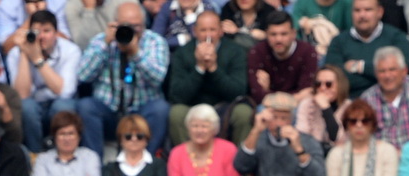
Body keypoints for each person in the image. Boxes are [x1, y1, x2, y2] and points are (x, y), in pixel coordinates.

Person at [75, 1, 169, 154]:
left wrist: (136, 52)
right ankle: (96, 167)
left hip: (141, 112)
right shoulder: (102, 40)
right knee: (86, 106)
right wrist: (106, 44)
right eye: (126, 25)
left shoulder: (155, 41)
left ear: (144, 25)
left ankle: (145, 164)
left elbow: (158, 78)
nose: (131, 31)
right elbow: (83, 76)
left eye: (136, 26)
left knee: (160, 109)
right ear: (115, 24)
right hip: (108, 110)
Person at [165, 8, 249, 143]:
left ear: (221, 31)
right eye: (203, 30)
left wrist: (214, 69)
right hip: (193, 106)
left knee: (244, 113)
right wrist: (199, 68)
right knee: (176, 113)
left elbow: (238, 92)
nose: (208, 35)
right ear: (194, 31)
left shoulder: (235, 51)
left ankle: (240, 161)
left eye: (212, 30)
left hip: (224, 106)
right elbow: (176, 95)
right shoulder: (183, 53)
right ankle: (186, 159)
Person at [235, 89, 325, 176]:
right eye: (274, 117)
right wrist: (256, 130)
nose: (279, 123)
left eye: (284, 118)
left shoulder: (308, 141)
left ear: (292, 119)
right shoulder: (258, 139)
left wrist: (299, 150)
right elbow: (241, 167)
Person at [10, 7, 78, 152]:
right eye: (36, 32)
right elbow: (22, 95)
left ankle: (60, 153)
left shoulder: (70, 50)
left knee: (63, 105)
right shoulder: (15, 53)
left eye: (46, 31)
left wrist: (37, 59)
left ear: (56, 33)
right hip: (34, 107)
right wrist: (24, 53)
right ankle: (35, 154)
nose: (41, 37)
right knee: (27, 107)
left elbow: (65, 92)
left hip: (57, 104)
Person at [167, 100, 240, 176]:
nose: (199, 130)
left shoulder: (228, 150)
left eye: (204, 126)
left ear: (214, 129)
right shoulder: (177, 153)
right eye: (195, 126)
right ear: (188, 128)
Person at [321, 0, 405, 99]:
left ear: (380, 12)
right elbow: (334, 78)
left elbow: (403, 71)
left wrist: (360, 66)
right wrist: (378, 75)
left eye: (368, 10)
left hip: (390, 100)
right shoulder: (338, 41)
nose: (362, 15)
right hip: (349, 103)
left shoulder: (396, 37)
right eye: (357, 10)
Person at [358, 45, 409, 150]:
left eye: (392, 70)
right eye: (382, 71)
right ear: (376, 74)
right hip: (381, 160)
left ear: (404, 71)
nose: (387, 76)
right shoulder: (367, 99)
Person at [245, 7, 316, 103]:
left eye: (284, 34)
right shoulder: (257, 52)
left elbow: (306, 93)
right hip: (267, 107)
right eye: (273, 34)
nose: (278, 39)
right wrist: (296, 97)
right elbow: (257, 94)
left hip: (297, 108)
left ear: (293, 34)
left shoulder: (308, 52)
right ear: (266, 34)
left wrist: (268, 92)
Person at [293, 63, 348, 145]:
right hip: (312, 152)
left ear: (340, 85)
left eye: (328, 84)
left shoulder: (349, 107)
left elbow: (336, 137)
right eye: (318, 84)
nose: (323, 88)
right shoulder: (307, 104)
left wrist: (326, 108)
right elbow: (302, 136)